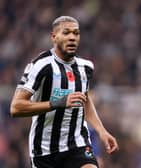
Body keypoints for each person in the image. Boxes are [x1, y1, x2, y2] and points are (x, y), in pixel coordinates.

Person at [10, 16, 119, 168]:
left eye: (76, 33)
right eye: (66, 33)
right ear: (54, 37)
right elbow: (16, 107)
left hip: (77, 145)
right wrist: (59, 102)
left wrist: (101, 131)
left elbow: (85, 100)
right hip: (45, 151)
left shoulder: (85, 67)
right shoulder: (41, 65)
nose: (72, 37)